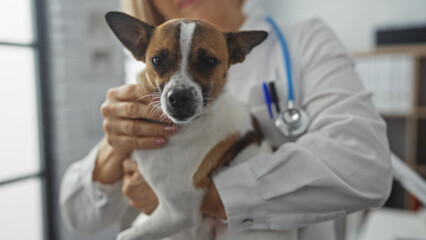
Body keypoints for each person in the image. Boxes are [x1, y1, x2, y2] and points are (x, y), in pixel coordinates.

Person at [60, 0, 393, 239]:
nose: (177, 87)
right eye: (161, 62)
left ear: (234, 57)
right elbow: (79, 214)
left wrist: (193, 198)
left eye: (205, 63)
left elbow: (366, 167)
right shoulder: (142, 88)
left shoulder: (305, 40)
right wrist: (115, 144)